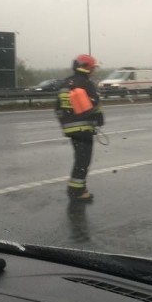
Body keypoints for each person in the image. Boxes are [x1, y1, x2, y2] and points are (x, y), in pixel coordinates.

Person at [56, 54, 104, 201]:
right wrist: (99, 121)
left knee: (79, 159)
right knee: (83, 161)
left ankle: (77, 188)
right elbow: (95, 105)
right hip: (83, 129)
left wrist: (65, 123)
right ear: (87, 67)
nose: (94, 71)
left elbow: (58, 107)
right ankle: (77, 192)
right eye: (93, 68)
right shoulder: (86, 83)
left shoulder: (65, 83)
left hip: (70, 129)